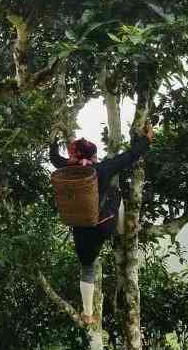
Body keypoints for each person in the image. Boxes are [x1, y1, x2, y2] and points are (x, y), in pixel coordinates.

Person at [49, 125, 154, 325]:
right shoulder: (102, 169)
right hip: (104, 226)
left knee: (87, 268)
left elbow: (53, 157)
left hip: (81, 227)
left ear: (73, 154)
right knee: (114, 191)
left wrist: (54, 139)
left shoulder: (65, 168)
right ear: (94, 154)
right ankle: (124, 231)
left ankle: (87, 314)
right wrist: (147, 139)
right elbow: (130, 155)